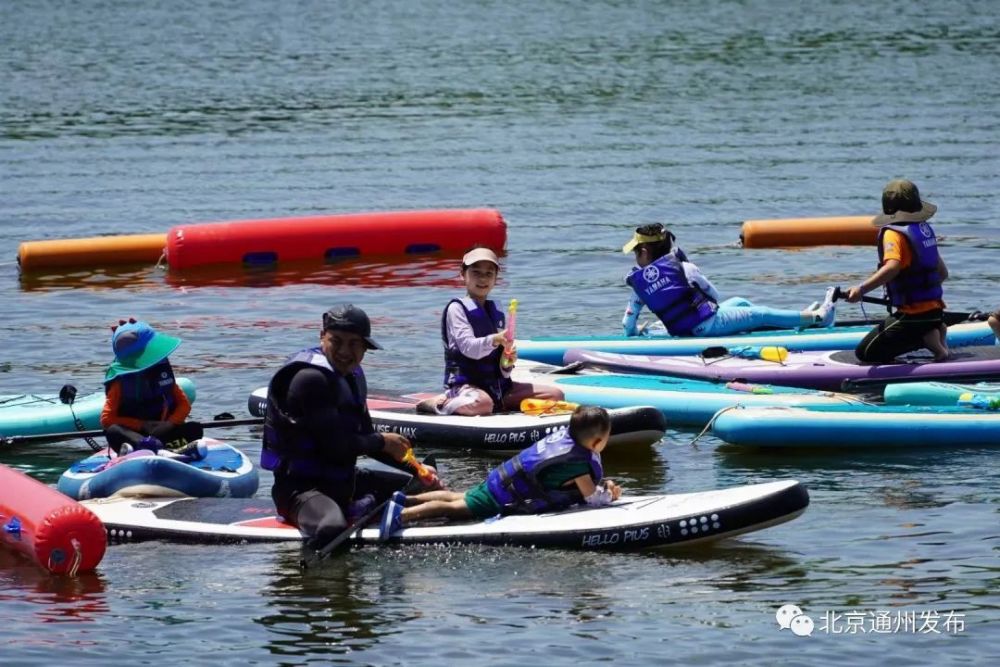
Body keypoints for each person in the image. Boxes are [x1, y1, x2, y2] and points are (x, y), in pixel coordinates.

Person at [262, 304, 435, 548]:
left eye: (354, 343)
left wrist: (416, 468)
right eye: (336, 341)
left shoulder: (352, 376)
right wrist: (384, 441)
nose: (345, 351)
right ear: (322, 337)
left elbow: (365, 437)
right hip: (300, 490)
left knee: (422, 492)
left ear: (366, 347)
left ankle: (364, 504)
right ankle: (311, 579)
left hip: (344, 481)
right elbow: (337, 448)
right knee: (332, 527)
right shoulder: (309, 380)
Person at [378, 405, 620, 540]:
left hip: (499, 480)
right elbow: (592, 498)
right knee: (452, 507)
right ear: (597, 442)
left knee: (455, 495)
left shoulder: (565, 441)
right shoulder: (578, 465)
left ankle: (404, 499)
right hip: (503, 497)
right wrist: (610, 495)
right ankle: (402, 516)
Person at [417, 247, 564, 416]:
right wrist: (495, 339)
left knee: (556, 395)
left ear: (495, 279)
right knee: (482, 404)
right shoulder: (456, 309)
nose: (482, 278)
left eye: (489, 273)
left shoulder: (497, 311)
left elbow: (503, 367)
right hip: (466, 386)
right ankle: (438, 404)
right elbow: (469, 348)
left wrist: (507, 361)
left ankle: (498, 403)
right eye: (476, 272)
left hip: (499, 388)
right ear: (462, 274)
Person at [621, 223, 836, 338]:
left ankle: (796, 324)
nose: (635, 257)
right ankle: (818, 317)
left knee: (741, 303)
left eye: (635, 253)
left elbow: (628, 324)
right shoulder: (686, 268)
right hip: (707, 325)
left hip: (688, 328)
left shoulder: (640, 286)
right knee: (758, 313)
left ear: (644, 251)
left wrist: (636, 333)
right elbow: (714, 296)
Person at [846, 179, 950, 362]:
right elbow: (942, 273)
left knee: (866, 353)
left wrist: (861, 289)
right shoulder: (923, 229)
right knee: (919, 324)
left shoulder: (893, 233)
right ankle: (935, 331)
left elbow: (892, 267)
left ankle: (927, 338)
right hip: (936, 311)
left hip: (914, 316)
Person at [100, 318, 203, 456]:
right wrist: (142, 425)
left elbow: (184, 405)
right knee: (113, 431)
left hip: (162, 430)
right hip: (135, 435)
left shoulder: (161, 372)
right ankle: (153, 449)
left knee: (195, 429)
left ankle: (160, 450)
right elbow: (107, 419)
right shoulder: (120, 381)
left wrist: (169, 424)